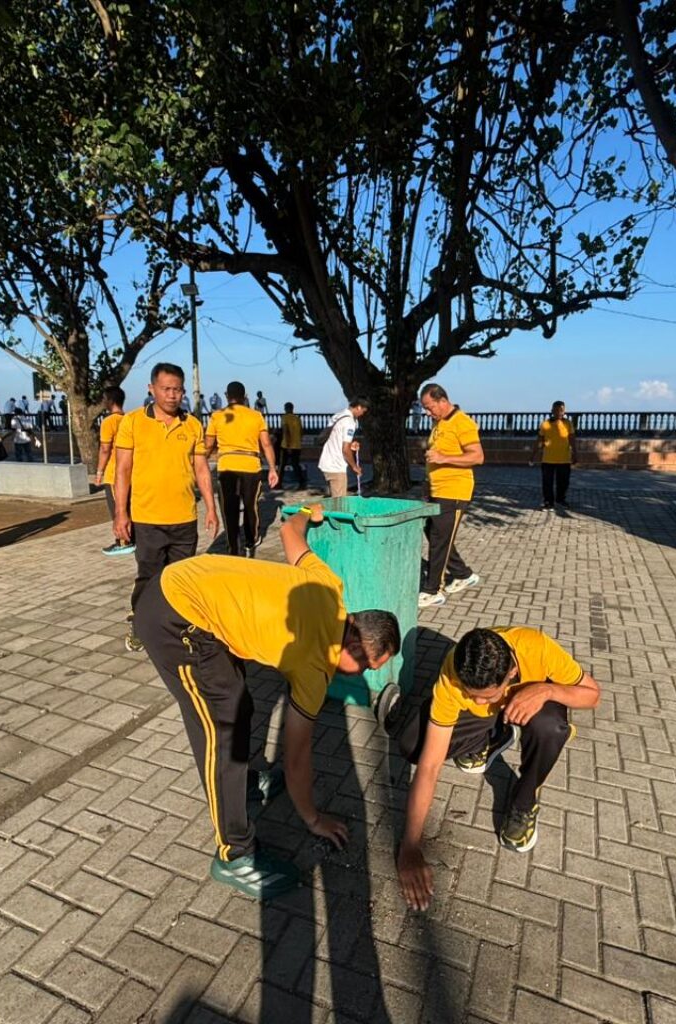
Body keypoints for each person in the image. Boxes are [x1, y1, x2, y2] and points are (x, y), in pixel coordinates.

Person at [134, 503, 400, 898]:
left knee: (239, 702)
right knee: (220, 725)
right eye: (368, 666)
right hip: (174, 618)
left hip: (191, 589)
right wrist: (312, 818)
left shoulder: (329, 587)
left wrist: (308, 514)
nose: (364, 675)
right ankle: (234, 854)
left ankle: (241, 787)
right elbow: (295, 755)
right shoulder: (316, 665)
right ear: (353, 644)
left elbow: (290, 535)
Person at [376, 626, 600, 910]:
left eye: (487, 694)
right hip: (492, 717)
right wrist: (410, 846)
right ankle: (496, 737)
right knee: (414, 747)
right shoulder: (453, 671)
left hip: (535, 705)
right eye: (472, 694)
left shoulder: (538, 648)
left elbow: (593, 695)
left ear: (510, 674)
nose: (477, 700)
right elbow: (430, 766)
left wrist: (546, 689)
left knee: (550, 728)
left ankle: (524, 802)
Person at [114, 362, 218, 652]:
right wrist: (120, 514)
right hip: (147, 518)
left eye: (178, 390)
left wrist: (210, 507)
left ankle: (175, 628)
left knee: (180, 578)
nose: (173, 395)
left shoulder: (193, 425)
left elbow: (201, 469)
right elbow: (122, 471)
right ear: (152, 389)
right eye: (166, 389)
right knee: (149, 576)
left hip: (184, 517)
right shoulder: (133, 422)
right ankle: (140, 626)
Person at [419, 383, 484, 608]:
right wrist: (428, 483)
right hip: (438, 490)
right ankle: (463, 574)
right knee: (433, 531)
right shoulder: (440, 423)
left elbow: (477, 457)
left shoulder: (462, 422)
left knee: (439, 540)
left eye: (429, 407)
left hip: (455, 491)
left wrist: (443, 458)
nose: (428, 412)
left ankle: (433, 590)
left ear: (442, 401)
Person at [205, 381, 279, 557]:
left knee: (229, 510)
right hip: (251, 466)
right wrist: (273, 469)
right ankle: (251, 539)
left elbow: (208, 445)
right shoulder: (256, 417)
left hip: (227, 466)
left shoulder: (217, 416)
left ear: (226, 396)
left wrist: (199, 465)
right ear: (245, 397)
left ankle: (233, 548)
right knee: (250, 506)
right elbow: (266, 444)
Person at [95, 386, 133, 556]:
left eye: (104, 399)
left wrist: (99, 472)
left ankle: (123, 541)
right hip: (130, 470)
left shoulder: (108, 422)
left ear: (109, 401)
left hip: (114, 471)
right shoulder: (129, 420)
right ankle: (133, 536)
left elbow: (105, 449)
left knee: (118, 508)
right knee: (128, 506)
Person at [317, 397, 368, 498]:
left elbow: (336, 438)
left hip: (327, 462)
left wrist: (350, 444)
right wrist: (354, 466)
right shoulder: (349, 422)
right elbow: (345, 450)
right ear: (358, 407)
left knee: (333, 499)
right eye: (363, 411)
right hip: (336, 466)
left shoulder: (338, 416)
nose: (362, 414)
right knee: (339, 502)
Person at [532, 400, 576, 510]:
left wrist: (575, 453)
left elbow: (572, 440)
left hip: (564, 459)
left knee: (563, 482)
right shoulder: (545, 424)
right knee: (547, 483)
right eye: (556, 410)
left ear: (564, 411)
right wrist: (533, 455)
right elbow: (539, 441)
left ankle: (561, 499)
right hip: (548, 459)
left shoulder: (568, 424)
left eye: (561, 410)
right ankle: (548, 502)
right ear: (552, 411)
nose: (558, 412)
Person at [279, 402, 307, 488]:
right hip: (297, 445)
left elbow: (286, 431)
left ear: (286, 409)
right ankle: (301, 482)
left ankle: (278, 483)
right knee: (296, 465)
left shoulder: (284, 418)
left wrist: (288, 445)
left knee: (282, 465)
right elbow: (302, 432)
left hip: (286, 445)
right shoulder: (297, 418)